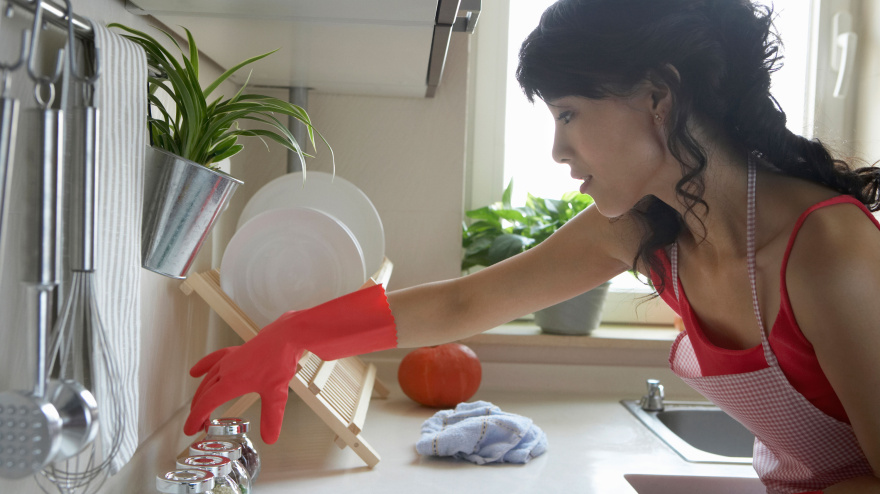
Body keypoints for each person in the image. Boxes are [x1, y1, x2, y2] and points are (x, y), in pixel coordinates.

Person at [184, 0, 880, 492]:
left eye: (569, 114)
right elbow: (465, 303)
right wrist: (296, 334)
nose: (557, 150)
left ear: (659, 96)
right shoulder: (651, 228)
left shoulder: (828, 249)